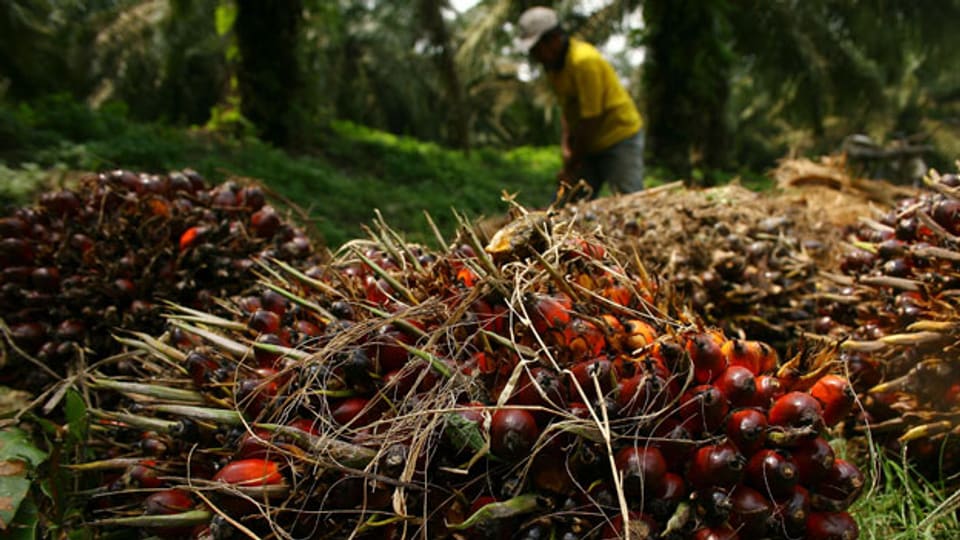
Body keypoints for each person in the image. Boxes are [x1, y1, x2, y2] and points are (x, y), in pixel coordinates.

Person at [516, 6, 645, 202]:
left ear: (552, 40)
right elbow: (568, 111)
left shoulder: (584, 62)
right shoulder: (554, 70)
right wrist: (567, 148)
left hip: (618, 137)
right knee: (564, 204)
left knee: (630, 202)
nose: (535, 55)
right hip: (588, 144)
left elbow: (591, 119)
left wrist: (571, 164)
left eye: (536, 48)